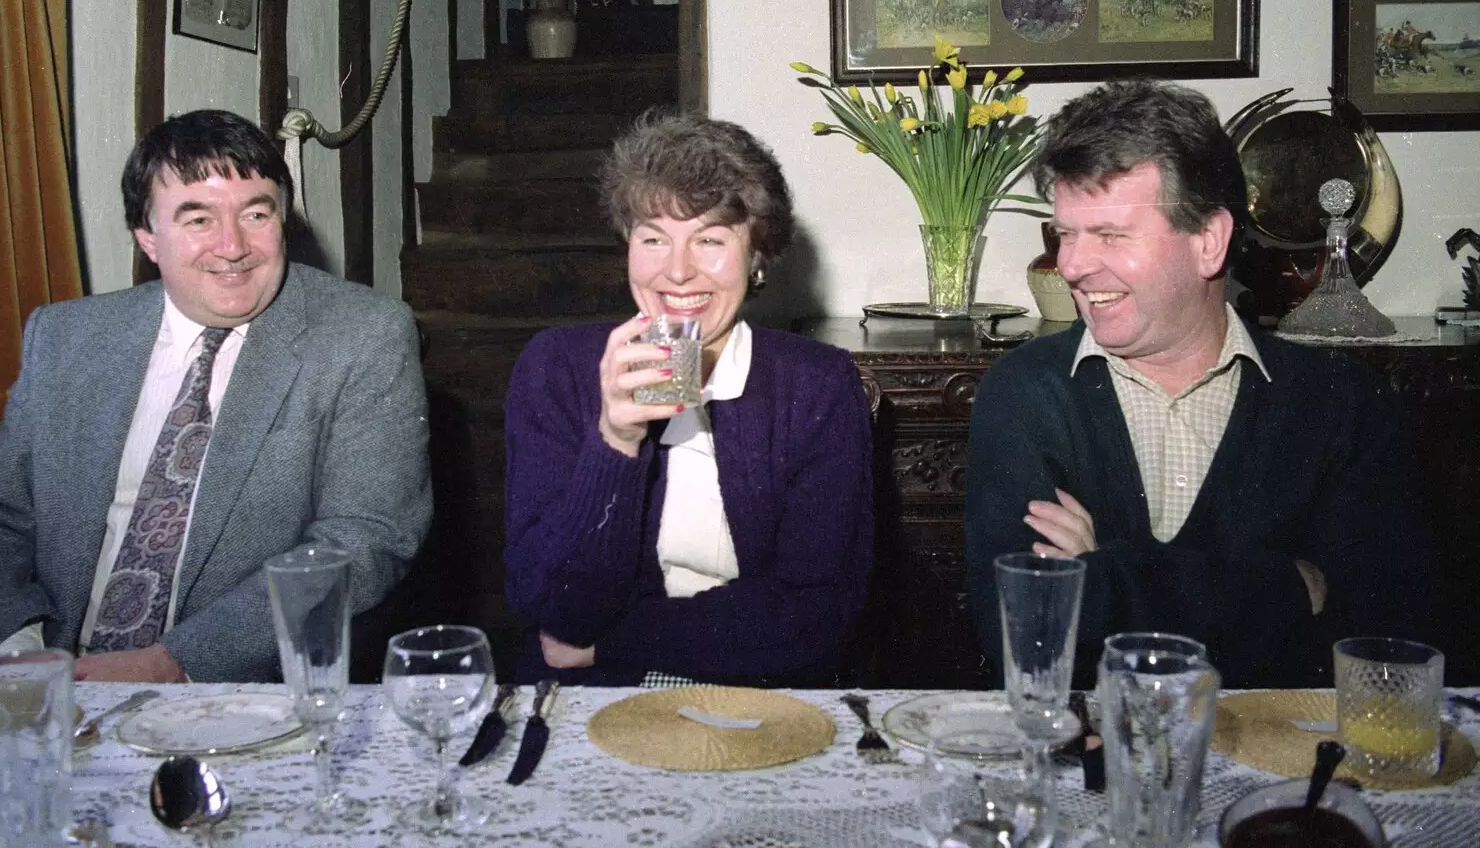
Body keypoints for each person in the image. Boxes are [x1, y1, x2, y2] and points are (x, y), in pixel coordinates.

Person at [0, 109, 433, 682]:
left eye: (256, 213)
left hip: (229, 681)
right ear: (148, 238)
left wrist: (174, 663)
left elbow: (363, 540)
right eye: (197, 219)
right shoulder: (67, 337)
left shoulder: (363, 335)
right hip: (53, 667)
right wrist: (18, 653)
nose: (233, 246)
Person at [963, 81, 1435, 688]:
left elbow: (1384, 647)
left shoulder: (1342, 406)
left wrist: (1105, 573)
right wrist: (1288, 586)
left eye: (1109, 235)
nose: (1073, 266)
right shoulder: (1025, 394)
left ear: (1208, 241)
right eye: (1066, 234)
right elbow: (1024, 637)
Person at [503, 112, 874, 687]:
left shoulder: (816, 385)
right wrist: (615, 442)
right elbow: (554, 609)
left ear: (758, 257)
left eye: (709, 239)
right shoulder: (557, 369)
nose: (677, 271)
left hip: (755, 689)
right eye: (654, 238)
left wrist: (613, 640)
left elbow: (815, 620)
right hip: (594, 697)